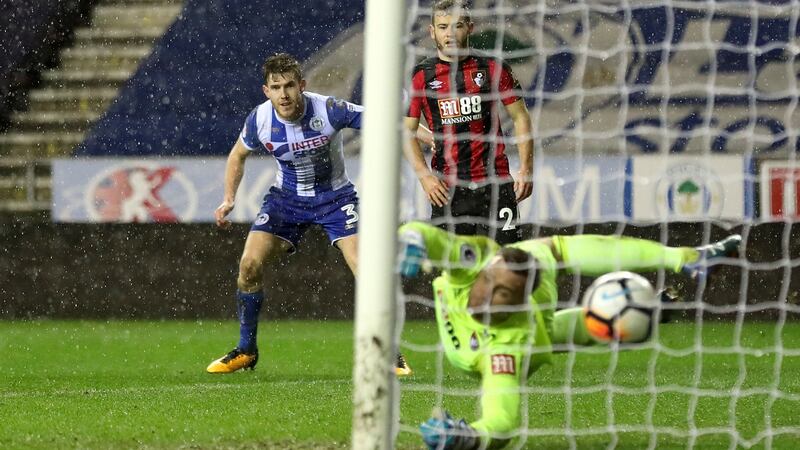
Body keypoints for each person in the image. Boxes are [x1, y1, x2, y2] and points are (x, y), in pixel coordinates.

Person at [397, 221, 741, 449]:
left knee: (547, 332)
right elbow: (427, 234)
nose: (488, 294)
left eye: (503, 294)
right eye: (490, 282)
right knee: (551, 248)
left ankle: (642, 309)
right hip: (525, 286)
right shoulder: (477, 261)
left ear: (519, 303)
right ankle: (688, 261)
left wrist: (471, 437)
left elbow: (503, 420)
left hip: (491, 348)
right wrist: (412, 240)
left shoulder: (511, 344)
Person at [206, 53, 428, 375]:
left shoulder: (329, 109)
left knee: (365, 270)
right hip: (286, 201)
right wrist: (229, 198)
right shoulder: (259, 120)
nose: (284, 94)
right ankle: (246, 350)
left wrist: (433, 139)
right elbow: (237, 156)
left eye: (290, 86)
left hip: (336, 199)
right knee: (248, 265)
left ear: (302, 86)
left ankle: (389, 352)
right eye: (276, 87)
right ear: (265, 90)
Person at [404, 0, 534, 245]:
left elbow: (520, 117)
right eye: (442, 27)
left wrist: (526, 169)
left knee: (506, 265)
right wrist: (425, 177)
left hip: (495, 183)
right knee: (454, 270)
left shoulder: (492, 67)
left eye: (457, 26)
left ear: (470, 28)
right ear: (432, 32)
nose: (449, 34)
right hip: (448, 190)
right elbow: (406, 131)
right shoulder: (422, 76)